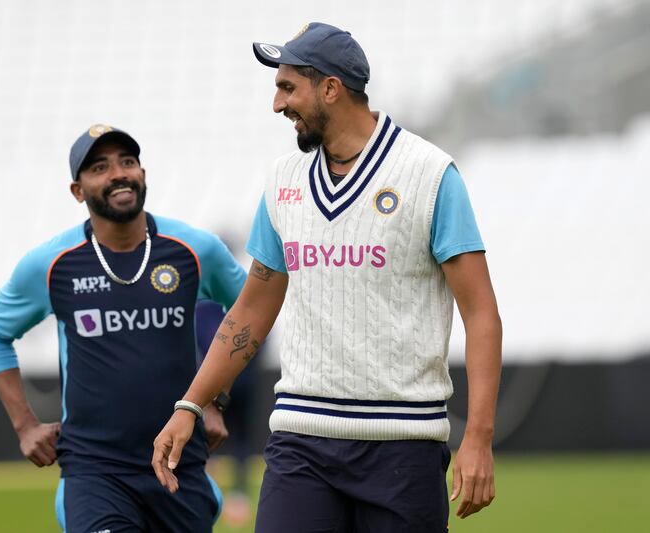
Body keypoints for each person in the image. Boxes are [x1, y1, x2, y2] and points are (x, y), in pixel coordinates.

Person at [152, 22, 502, 532]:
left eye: (287, 87)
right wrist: (191, 403)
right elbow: (252, 307)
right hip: (300, 444)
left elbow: (482, 313)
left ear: (331, 89)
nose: (277, 104)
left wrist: (479, 437)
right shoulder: (283, 181)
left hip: (403, 448)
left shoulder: (429, 174)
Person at [0, 124, 246, 533]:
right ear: (77, 191)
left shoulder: (194, 249)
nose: (118, 173)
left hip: (180, 463)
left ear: (142, 174)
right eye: (99, 167)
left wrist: (212, 399)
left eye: (128, 162)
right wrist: (25, 425)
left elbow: (251, 312)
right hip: (95, 471)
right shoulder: (53, 264)